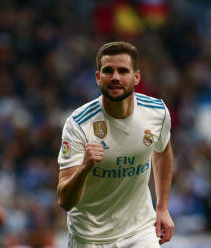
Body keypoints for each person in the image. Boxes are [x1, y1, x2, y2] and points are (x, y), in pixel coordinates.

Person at [57, 41, 174, 247]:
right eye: (108, 71)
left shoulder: (157, 113)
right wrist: (85, 168)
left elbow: (162, 150)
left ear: (136, 77)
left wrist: (162, 207)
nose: (115, 77)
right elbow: (65, 201)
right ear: (97, 77)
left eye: (123, 71)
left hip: (139, 231)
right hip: (89, 236)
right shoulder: (78, 124)